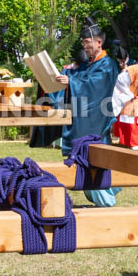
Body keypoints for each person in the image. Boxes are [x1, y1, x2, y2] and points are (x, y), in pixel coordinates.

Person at [52, 23, 121, 206]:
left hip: (96, 122)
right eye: (83, 43)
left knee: (95, 166)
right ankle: (106, 196)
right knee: (86, 165)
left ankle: (107, 203)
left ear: (99, 42)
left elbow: (93, 85)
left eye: (87, 42)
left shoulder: (108, 65)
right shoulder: (89, 64)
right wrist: (57, 76)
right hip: (84, 120)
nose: (85, 46)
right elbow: (76, 75)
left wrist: (71, 82)